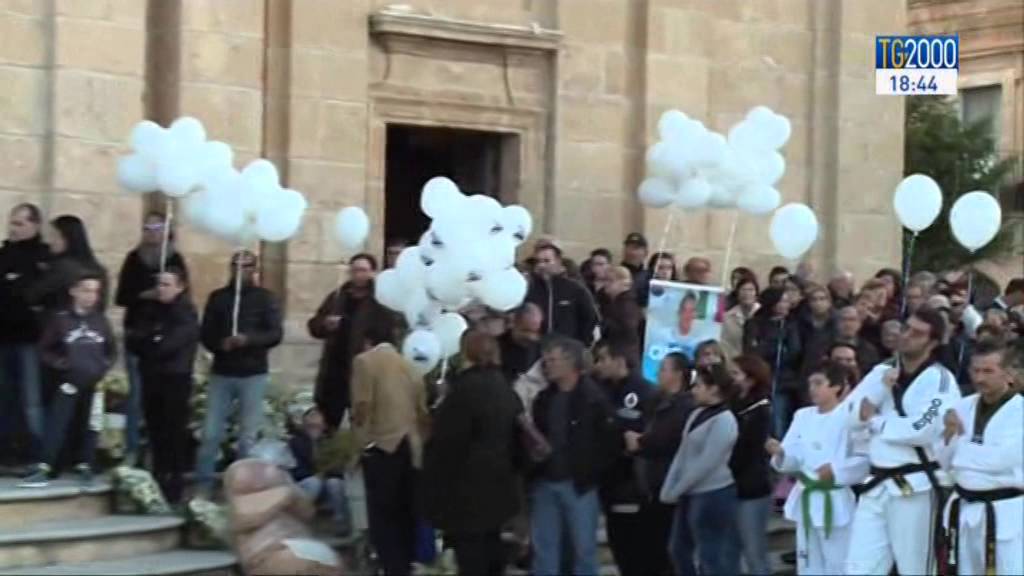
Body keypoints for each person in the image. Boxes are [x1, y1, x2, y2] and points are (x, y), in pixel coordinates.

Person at [843, 307, 962, 575]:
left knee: (915, 569)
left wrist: (875, 422)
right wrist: (880, 389)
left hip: (915, 488)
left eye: (916, 333)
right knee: (858, 568)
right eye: (906, 328)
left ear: (933, 342)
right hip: (875, 486)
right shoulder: (881, 372)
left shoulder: (940, 379)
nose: (906, 336)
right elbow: (850, 416)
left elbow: (923, 429)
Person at [422, 331, 523, 576]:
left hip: (467, 490)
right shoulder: (505, 388)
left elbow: (447, 443)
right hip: (501, 485)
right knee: (492, 550)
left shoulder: (464, 392)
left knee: (472, 557)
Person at [767, 361, 868, 575]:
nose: (812, 388)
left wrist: (836, 471)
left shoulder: (849, 415)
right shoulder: (803, 415)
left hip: (835, 497)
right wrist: (781, 454)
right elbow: (793, 455)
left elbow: (864, 460)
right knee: (808, 563)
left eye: (818, 383)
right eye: (810, 383)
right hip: (806, 496)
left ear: (837, 387)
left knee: (839, 563)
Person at [196, 250, 284, 496]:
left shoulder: (266, 298)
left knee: (247, 435)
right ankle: (203, 484)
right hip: (222, 372)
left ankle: (241, 488)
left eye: (245, 267)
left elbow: (275, 334)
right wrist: (219, 344)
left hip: (253, 372)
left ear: (254, 270)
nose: (240, 271)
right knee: (211, 432)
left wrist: (248, 340)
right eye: (236, 266)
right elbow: (205, 333)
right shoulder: (218, 298)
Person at [529, 337, 619, 576]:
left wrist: (592, 470)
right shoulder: (544, 398)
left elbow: (610, 441)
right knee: (544, 549)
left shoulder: (594, 398)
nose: (547, 365)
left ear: (570, 362)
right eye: (545, 360)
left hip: (580, 484)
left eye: (552, 360)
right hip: (545, 481)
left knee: (584, 551)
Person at [21, 271, 116, 487]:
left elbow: (111, 349)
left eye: (95, 291)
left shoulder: (100, 321)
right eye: (86, 290)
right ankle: (46, 466)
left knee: (91, 425)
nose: (91, 296)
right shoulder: (61, 320)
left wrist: (104, 366)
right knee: (58, 423)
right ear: (73, 292)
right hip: (69, 382)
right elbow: (44, 349)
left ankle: (85, 464)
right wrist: (62, 365)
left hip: (95, 382)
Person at [351, 321, 430, 576]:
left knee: (382, 514)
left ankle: (391, 566)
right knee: (406, 510)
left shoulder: (364, 362)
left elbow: (362, 406)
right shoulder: (410, 365)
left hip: (381, 444)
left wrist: (358, 443)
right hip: (411, 445)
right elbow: (422, 410)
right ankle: (406, 565)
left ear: (367, 341)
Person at [938, 341, 1022, 576]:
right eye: (975, 371)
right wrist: (949, 438)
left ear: (1009, 373)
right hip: (965, 509)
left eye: (988, 371)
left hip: (1005, 511)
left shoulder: (1020, 412)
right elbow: (944, 460)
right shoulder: (962, 407)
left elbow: (1002, 459)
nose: (980, 378)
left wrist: (960, 447)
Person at [116, 211, 189, 465]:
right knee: (137, 396)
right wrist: (146, 294)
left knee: (163, 404)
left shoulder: (175, 259)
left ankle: (160, 455)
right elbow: (121, 296)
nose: (151, 233)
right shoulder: (134, 259)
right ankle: (132, 449)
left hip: (166, 340)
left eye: (157, 228)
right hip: (139, 332)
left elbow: (183, 297)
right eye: (147, 228)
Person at [660, 364, 741, 576]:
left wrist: (677, 489)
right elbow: (683, 453)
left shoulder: (725, 420)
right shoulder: (696, 414)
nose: (693, 390)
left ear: (714, 389)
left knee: (710, 554)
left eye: (698, 386)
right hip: (689, 492)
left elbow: (707, 462)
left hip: (713, 492)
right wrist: (669, 485)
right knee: (677, 549)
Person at [125, 268, 198, 503]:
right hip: (152, 375)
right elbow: (134, 338)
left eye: (167, 284)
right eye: (159, 284)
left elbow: (170, 344)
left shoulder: (185, 311)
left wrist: (152, 340)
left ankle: (174, 483)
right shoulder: (150, 308)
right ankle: (158, 473)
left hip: (175, 377)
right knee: (155, 429)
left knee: (173, 431)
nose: (161, 289)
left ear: (180, 287)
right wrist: (152, 338)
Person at [624, 352, 694, 576]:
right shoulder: (655, 401)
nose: (658, 373)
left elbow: (664, 438)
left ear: (678, 374)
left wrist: (640, 441)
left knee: (666, 549)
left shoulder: (684, 406)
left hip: (668, 482)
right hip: (650, 484)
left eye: (664, 368)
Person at [592, 340, 652, 576]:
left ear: (619, 361)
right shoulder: (599, 389)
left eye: (603, 359)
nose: (599, 365)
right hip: (607, 478)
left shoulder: (645, 391)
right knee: (618, 541)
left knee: (635, 544)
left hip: (633, 481)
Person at [308, 254, 388, 428]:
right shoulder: (338, 296)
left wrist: (373, 344)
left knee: (362, 421)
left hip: (363, 368)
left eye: (363, 270)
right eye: (355, 270)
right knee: (329, 420)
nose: (358, 275)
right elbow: (314, 326)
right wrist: (325, 324)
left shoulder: (380, 300)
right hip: (335, 369)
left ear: (372, 272)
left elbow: (388, 332)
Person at [0, 203, 50, 465]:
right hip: (4, 336)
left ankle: (37, 456)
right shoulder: (4, 252)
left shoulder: (43, 256)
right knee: (4, 398)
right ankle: (7, 451)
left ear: (34, 225)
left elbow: (36, 293)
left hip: (30, 338)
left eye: (20, 223)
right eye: (12, 222)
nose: (14, 228)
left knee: (31, 400)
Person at [728, 355, 774, 576]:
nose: (731, 378)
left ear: (750, 379)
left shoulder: (760, 410)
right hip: (731, 486)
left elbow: (748, 449)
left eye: (736, 373)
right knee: (731, 551)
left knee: (754, 553)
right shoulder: (733, 403)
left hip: (752, 489)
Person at [743, 287, 802, 437]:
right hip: (758, 379)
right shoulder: (754, 323)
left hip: (781, 381)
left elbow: (794, 352)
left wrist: (767, 346)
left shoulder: (790, 325)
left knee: (778, 421)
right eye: (783, 301)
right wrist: (775, 346)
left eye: (787, 301)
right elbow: (752, 352)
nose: (786, 305)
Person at [288, 406, 353, 537]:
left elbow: (339, 467)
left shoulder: (332, 442)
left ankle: (340, 522)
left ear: (324, 424)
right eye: (311, 417)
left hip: (328, 487)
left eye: (318, 418)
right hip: (306, 487)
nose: (314, 422)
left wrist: (325, 475)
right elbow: (295, 471)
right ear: (304, 423)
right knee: (313, 483)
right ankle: (298, 522)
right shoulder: (295, 442)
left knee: (335, 483)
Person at [30, 214, 109, 314]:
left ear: (67, 239)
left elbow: (33, 295)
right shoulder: (99, 270)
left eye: (55, 236)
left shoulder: (62, 267)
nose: (51, 241)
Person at [525, 244, 599, 345]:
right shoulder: (529, 288)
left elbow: (590, 318)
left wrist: (581, 345)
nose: (541, 265)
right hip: (536, 349)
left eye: (547, 261)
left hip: (566, 350)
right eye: (538, 261)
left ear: (558, 262)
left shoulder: (575, 288)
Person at [599, 266, 642, 362]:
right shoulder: (611, 301)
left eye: (610, 280)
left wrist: (605, 326)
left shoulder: (626, 305)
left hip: (621, 356)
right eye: (604, 280)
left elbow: (628, 331)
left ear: (625, 283)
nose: (605, 284)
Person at [798, 284, 837, 379]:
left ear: (829, 302)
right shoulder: (801, 323)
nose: (818, 303)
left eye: (822, 299)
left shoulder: (836, 322)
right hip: (804, 370)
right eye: (814, 300)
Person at [499, 303, 543, 383]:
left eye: (535, 331)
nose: (531, 337)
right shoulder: (496, 348)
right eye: (526, 331)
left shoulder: (544, 349)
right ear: (514, 324)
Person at [835, 305, 882, 377]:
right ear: (837, 323)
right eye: (844, 320)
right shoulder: (824, 347)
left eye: (852, 320)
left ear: (859, 324)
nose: (847, 324)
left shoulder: (869, 350)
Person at [722, 276, 760, 359]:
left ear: (756, 294)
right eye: (743, 290)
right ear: (737, 294)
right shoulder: (727, 317)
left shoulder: (763, 315)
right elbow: (725, 345)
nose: (747, 293)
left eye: (750, 290)